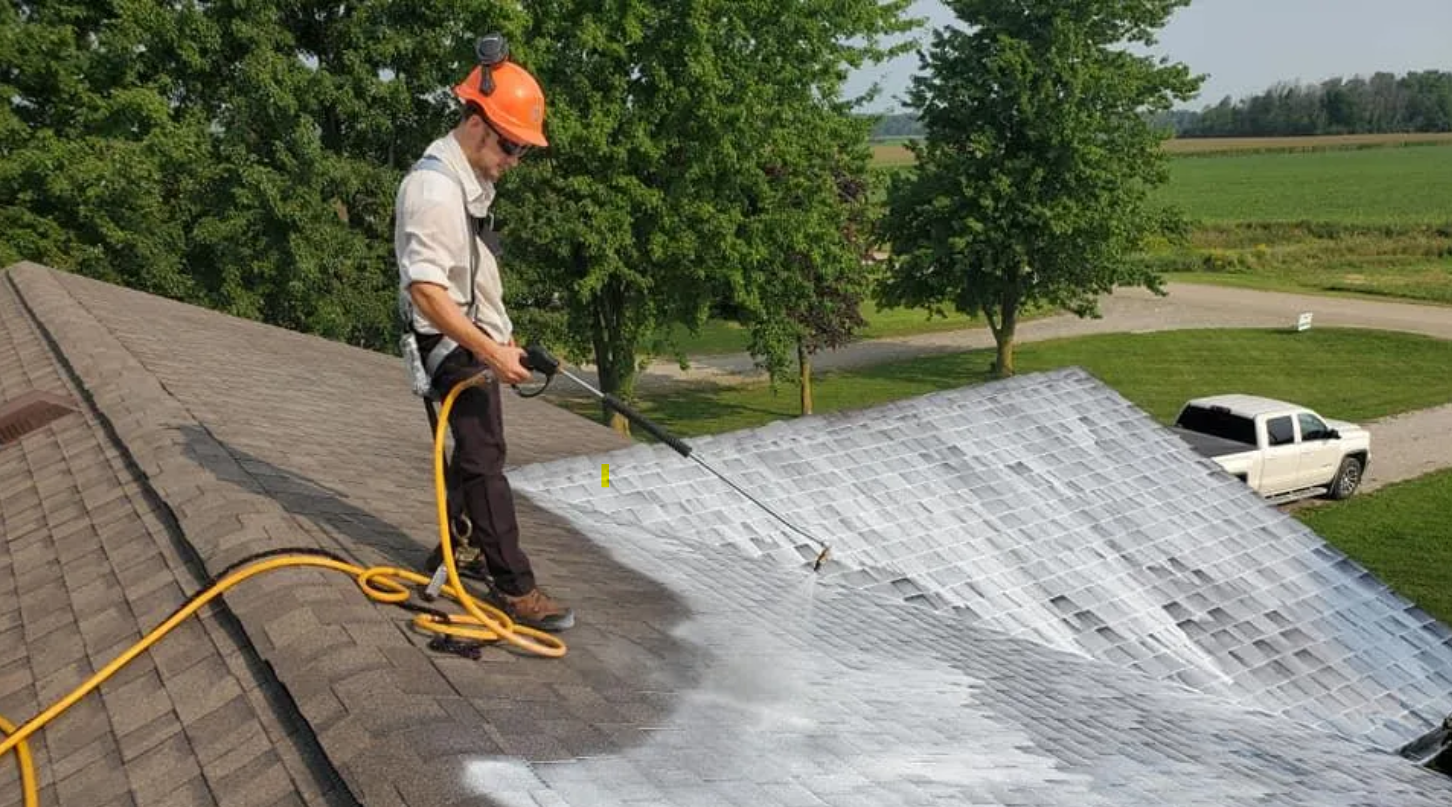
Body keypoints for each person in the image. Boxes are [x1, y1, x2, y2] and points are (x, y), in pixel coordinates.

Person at [393, 35, 572, 632]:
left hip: (469, 339)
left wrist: (504, 336)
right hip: (449, 347)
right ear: (476, 121)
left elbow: (473, 273)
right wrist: (487, 348)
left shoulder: (466, 183)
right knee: (483, 457)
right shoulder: (434, 191)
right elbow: (427, 292)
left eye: (522, 150)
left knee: (474, 457)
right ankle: (515, 587)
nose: (515, 161)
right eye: (511, 146)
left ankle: (458, 545)